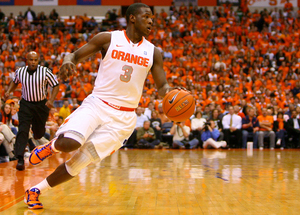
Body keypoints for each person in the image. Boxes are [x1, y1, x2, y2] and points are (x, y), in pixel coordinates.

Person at [25, 3, 172, 210]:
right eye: (146, 16)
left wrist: (172, 93)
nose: (151, 21)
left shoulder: (154, 52)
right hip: (98, 104)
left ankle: (36, 190)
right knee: (71, 143)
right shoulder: (108, 38)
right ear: (132, 18)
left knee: (79, 163)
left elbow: (162, 85)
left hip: (124, 119)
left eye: (152, 18)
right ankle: (50, 147)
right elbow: (73, 55)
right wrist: (69, 62)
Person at [5, 51, 59, 171]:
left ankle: (36, 136)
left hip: (41, 105)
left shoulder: (45, 71)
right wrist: (9, 91)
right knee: (23, 129)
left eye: (35, 60)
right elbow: (14, 83)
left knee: (39, 133)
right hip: (26, 104)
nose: (33, 62)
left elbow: (55, 85)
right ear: (27, 60)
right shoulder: (20, 72)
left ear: (38, 61)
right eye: (31, 60)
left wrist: (51, 100)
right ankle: (19, 158)